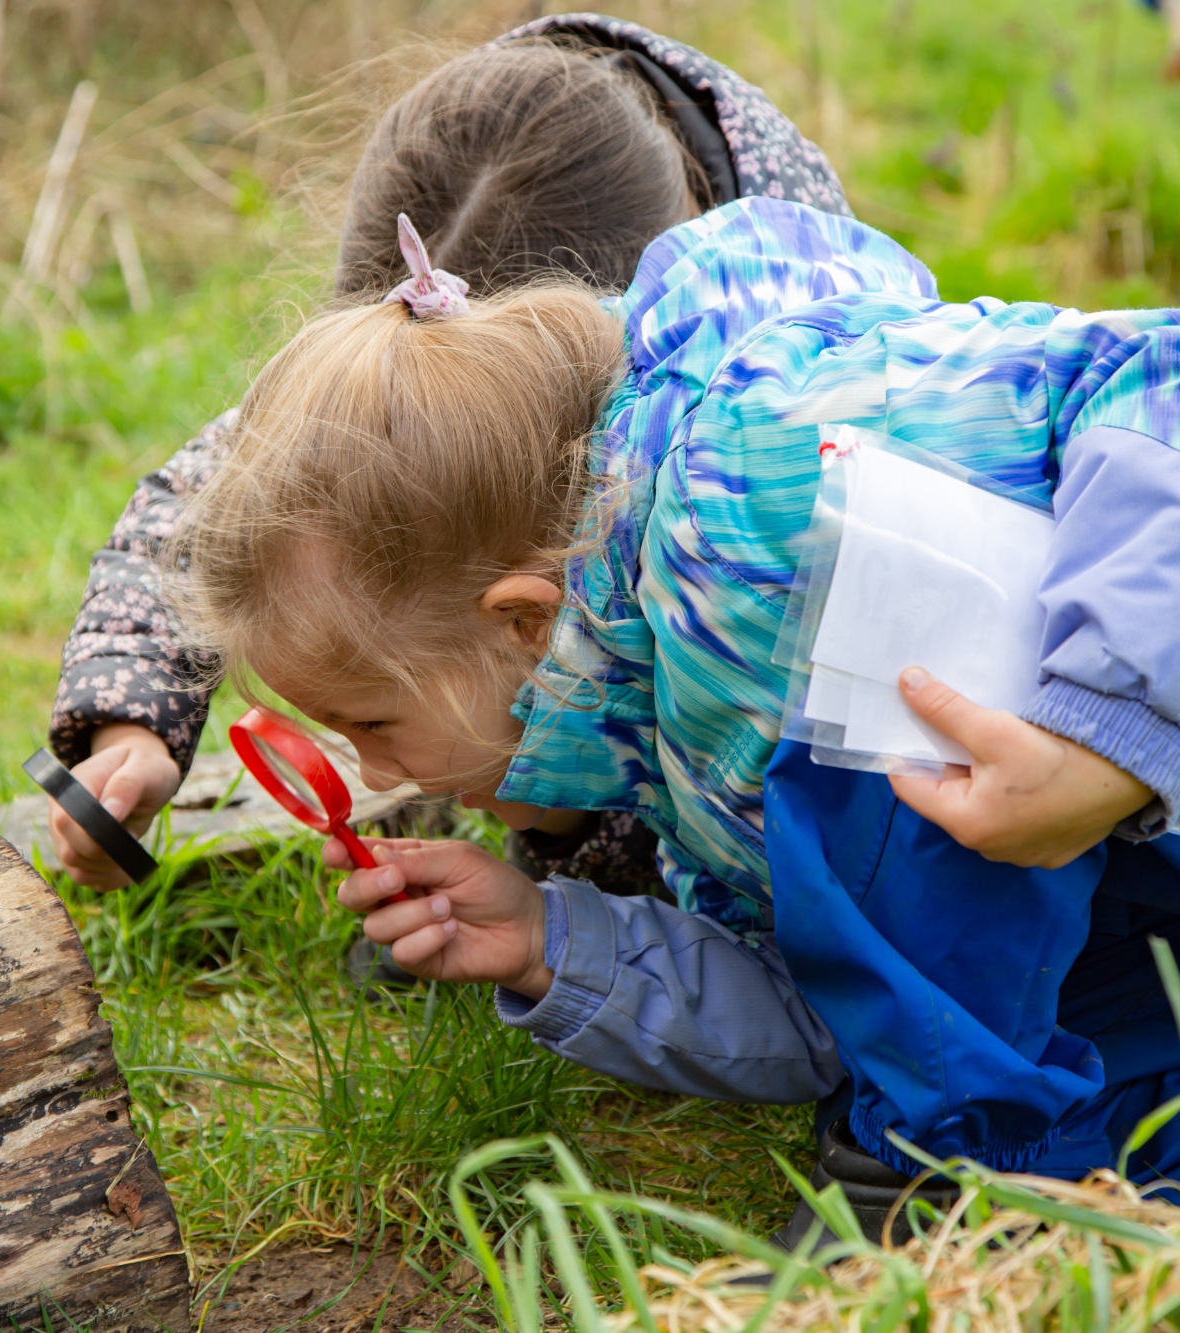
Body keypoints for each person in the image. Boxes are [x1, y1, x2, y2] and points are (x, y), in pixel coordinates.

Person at [168, 193, 1180, 1235]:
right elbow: (832, 1010)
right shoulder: (676, 733)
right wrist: (550, 942)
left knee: (853, 723)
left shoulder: (737, 499)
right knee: (1053, 1083)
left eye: (372, 724)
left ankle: (942, 1176)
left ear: (524, 621)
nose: (372, 773)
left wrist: (1110, 723)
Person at [45, 16, 848, 898]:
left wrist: (562, 828)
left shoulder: (745, 458)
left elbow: (709, 777)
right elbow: (199, 510)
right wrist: (130, 728)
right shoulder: (384, 383)